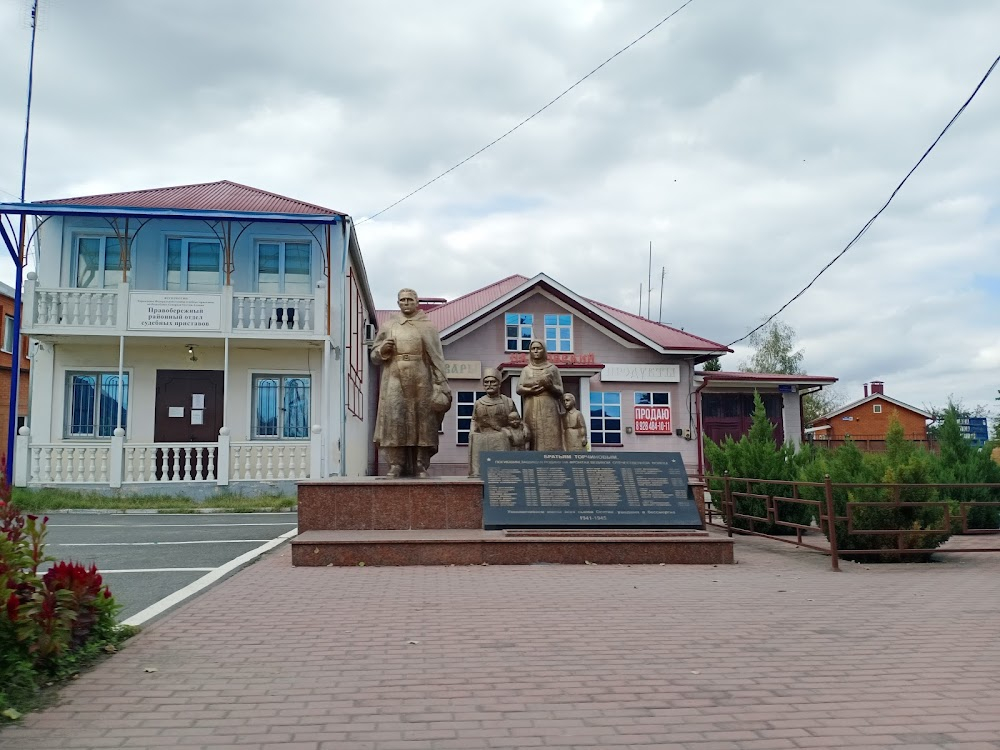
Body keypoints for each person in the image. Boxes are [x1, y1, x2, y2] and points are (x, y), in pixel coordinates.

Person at [370, 288, 452, 477]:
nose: (406, 303)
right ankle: (395, 464)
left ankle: (420, 463)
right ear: (398, 303)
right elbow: (374, 355)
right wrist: (383, 349)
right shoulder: (389, 325)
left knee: (422, 419)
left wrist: (442, 381)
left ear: (416, 302)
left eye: (410, 299)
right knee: (395, 417)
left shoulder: (427, 326)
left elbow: (436, 357)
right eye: (402, 300)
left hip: (421, 374)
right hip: (394, 374)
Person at [516, 339, 565, 451]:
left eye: (539, 348)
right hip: (531, 405)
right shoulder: (526, 370)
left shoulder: (553, 369)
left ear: (544, 350)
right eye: (533, 349)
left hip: (549, 406)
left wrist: (550, 386)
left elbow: (560, 391)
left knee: (550, 433)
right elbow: (519, 388)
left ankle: (553, 461)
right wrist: (530, 390)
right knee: (532, 434)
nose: (536, 351)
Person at [467, 369, 516, 478]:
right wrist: (472, 431)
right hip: (483, 435)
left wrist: (510, 430)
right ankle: (477, 472)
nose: (489, 385)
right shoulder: (479, 403)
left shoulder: (507, 402)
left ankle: (504, 471)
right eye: (486, 382)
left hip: (501, 434)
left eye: (492, 382)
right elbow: (474, 420)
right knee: (476, 438)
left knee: (503, 438)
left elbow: (515, 421)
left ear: (499, 384)